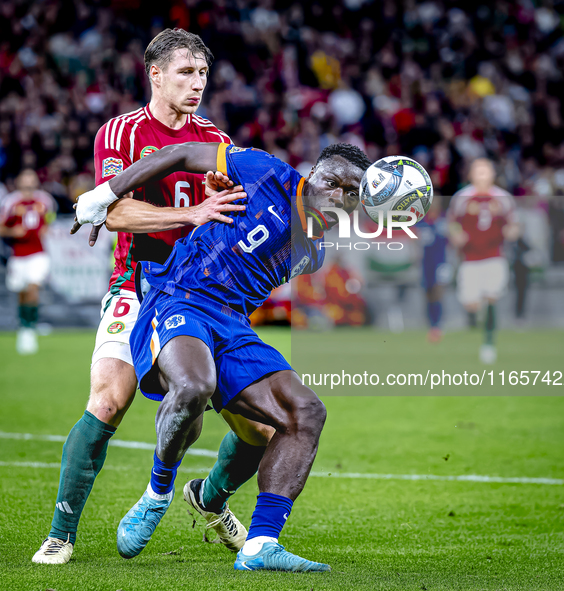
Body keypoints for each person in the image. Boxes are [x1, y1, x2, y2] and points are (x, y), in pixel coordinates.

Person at [33, 28, 274, 565]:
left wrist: (225, 203)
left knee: (259, 427)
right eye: (186, 72)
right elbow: (111, 212)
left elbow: (230, 214)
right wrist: (189, 213)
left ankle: (208, 498)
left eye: (204, 73)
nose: (197, 83)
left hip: (198, 293)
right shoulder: (121, 134)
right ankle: (60, 533)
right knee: (108, 400)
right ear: (156, 75)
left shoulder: (214, 138)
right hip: (136, 283)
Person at [75, 140, 371, 572]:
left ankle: (260, 545)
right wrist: (103, 196)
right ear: (311, 174)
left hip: (233, 325)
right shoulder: (265, 171)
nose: (335, 195)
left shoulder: (315, 252)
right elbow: (176, 154)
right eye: (330, 181)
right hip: (178, 298)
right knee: (195, 385)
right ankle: (157, 495)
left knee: (306, 411)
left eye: (350, 193)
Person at [448, 159, 519, 363]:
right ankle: (479, 318)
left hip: (494, 256)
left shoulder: (503, 198)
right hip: (470, 258)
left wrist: (511, 232)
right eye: (478, 171)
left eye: (486, 171)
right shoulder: (461, 198)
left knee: (491, 297)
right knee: (472, 305)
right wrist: (456, 236)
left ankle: (488, 343)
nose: (482, 175)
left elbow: (513, 224)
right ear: (470, 174)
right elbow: (452, 223)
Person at [0, 169, 56, 354]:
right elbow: (2, 227)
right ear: (19, 181)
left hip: (38, 253)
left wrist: (47, 227)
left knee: (33, 287)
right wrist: (12, 232)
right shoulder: (11, 201)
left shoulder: (44, 200)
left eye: (31, 178)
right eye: (25, 178)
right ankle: (23, 326)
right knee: (21, 291)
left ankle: (30, 329)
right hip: (18, 255)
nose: (29, 182)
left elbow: (51, 217)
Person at [417, 195, 449, 343]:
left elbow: (452, 239)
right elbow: (415, 240)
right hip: (426, 263)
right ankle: (431, 324)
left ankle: (437, 325)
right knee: (428, 293)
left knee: (438, 291)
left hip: (441, 262)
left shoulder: (444, 220)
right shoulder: (422, 222)